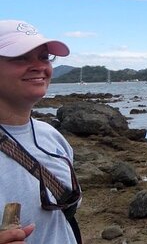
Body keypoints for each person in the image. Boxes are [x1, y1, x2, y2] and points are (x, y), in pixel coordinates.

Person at [0, 20, 81, 244]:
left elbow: (60, 219)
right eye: (20, 57)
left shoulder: (52, 137)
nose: (39, 66)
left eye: (44, 57)